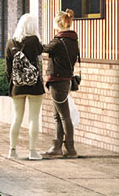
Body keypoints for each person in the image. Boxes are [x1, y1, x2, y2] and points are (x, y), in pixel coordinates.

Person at [5, 15, 45, 161]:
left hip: (17, 86)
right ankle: (32, 151)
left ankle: (12, 150)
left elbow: (7, 69)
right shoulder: (34, 41)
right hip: (34, 85)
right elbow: (40, 51)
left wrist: (13, 84)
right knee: (33, 118)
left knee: (16, 118)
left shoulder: (10, 42)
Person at [42, 9, 80, 159]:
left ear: (58, 23)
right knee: (59, 115)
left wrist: (28, 41)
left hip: (57, 80)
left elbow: (42, 49)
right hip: (65, 80)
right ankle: (57, 146)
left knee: (63, 116)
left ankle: (70, 149)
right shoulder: (72, 40)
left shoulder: (58, 41)